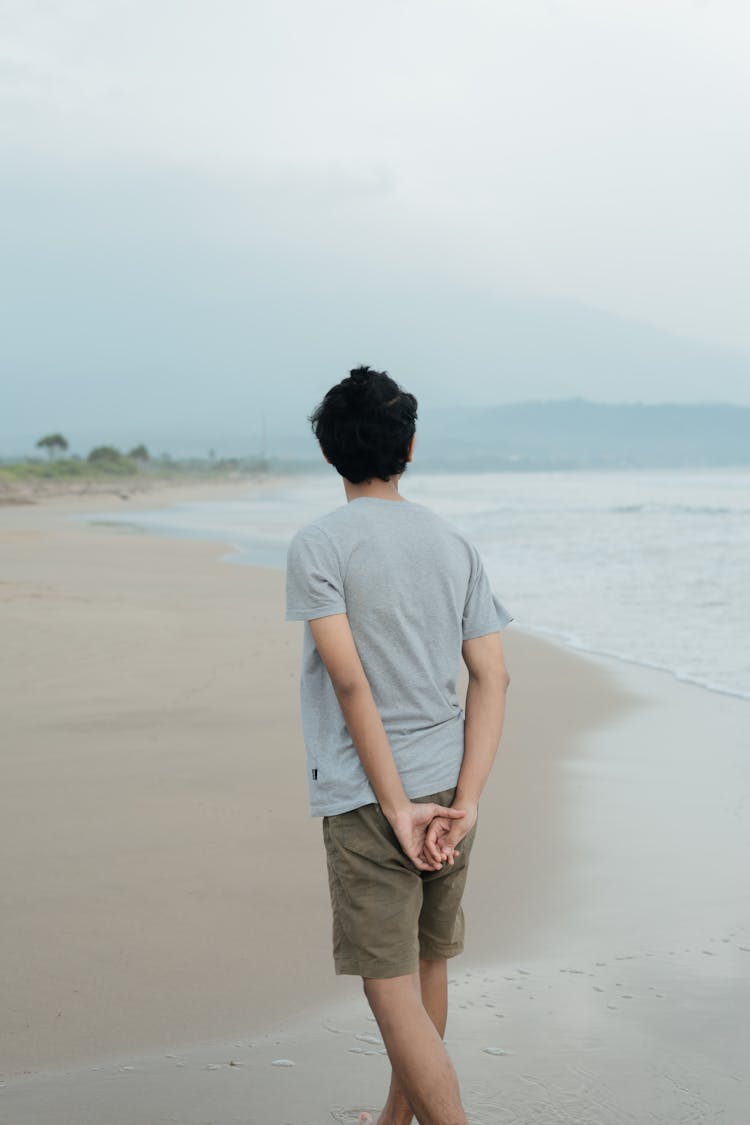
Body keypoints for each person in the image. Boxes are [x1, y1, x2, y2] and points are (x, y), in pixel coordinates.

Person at [285, 366, 512, 1125]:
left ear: (329, 453)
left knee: (390, 994)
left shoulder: (319, 544)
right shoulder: (453, 542)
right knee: (427, 963)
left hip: (369, 799)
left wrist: (395, 807)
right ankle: (394, 1120)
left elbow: (351, 687)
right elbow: (491, 675)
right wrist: (466, 801)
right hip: (449, 788)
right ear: (409, 446)